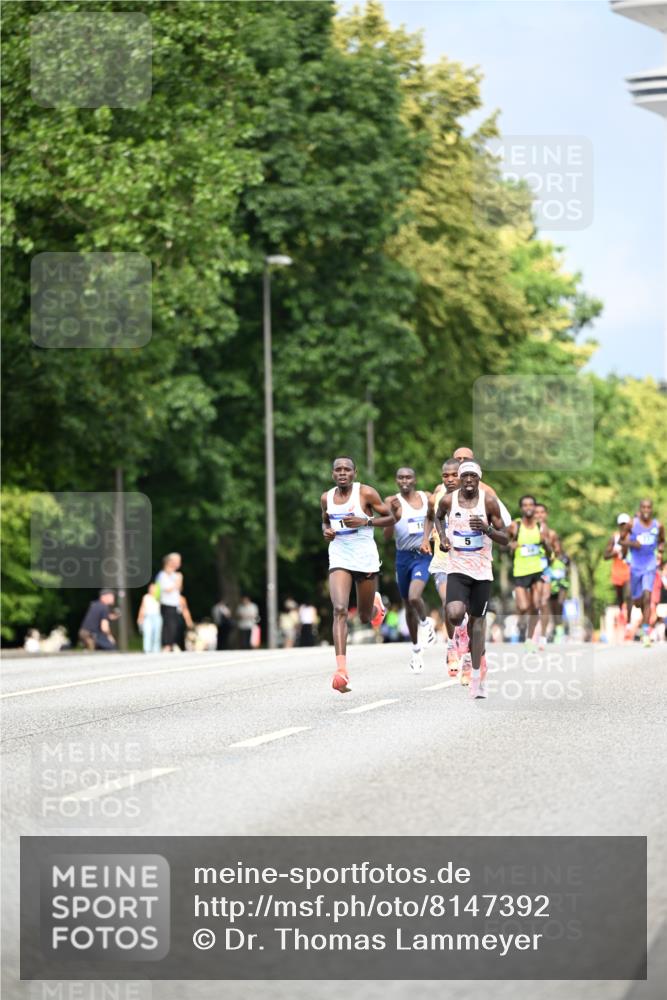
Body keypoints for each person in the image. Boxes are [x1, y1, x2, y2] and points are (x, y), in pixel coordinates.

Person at [434, 460, 508, 699]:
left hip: (482, 572)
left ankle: (477, 678)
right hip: (457, 568)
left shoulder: (488, 501)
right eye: (464, 476)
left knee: (478, 625)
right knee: (454, 613)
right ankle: (460, 632)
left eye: (472, 477)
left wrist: (487, 530)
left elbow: (505, 538)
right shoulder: (449, 500)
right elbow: (438, 517)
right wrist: (443, 538)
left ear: (478, 479)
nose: (467, 480)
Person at [321, 456, 394, 693]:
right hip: (340, 554)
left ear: (354, 472)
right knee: (340, 609)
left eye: (347, 469)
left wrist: (366, 521)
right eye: (338, 470)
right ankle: (341, 670)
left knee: (364, 617)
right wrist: (327, 532)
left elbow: (391, 518)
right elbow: (325, 522)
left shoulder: (366, 493)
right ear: (333, 474)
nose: (342, 473)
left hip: (365, 556)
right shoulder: (326, 498)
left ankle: (376, 607)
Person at [383, 467, 436, 674]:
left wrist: (429, 539)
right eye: (400, 477)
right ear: (396, 480)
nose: (404, 480)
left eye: (408, 477)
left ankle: (425, 623)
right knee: (406, 602)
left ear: (415, 479)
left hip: (423, 554)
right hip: (402, 556)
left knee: (415, 597)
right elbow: (387, 535)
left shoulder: (427, 498)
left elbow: (436, 519)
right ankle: (416, 650)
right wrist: (394, 516)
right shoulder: (391, 501)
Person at [421, 458, 463, 678]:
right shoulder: (435, 498)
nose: (450, 479)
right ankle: (451, 647)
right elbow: (429, 517)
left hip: (468, 562)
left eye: (454, 475)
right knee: (449, 604)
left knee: (464, 611)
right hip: (442, 561)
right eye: (446, 475)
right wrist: (426, 538)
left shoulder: (472, 499)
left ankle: (468, 649)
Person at [507, 495, 552, 650]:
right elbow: (504, 543)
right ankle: (520, 620)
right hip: (520, 571)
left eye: (531, 505)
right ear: (521, 508)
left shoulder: (541, 527)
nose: (528, 508)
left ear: (534, 507)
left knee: (536, 604)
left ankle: (529, 639)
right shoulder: (515, 525)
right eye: (525, 505)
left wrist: (545, 544)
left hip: (537, 570)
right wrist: (510, 545)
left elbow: (548, 550)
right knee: (524, 606)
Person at [625, 499, 664, 647]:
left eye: (649, 507)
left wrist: (660, 549)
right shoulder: (632, 524)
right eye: (643, 507)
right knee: (637, 601)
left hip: (650, 564)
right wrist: (633, 543)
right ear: (640, 509)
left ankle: (646, 632)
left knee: (647, 596)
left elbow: (661, 541)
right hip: (635, 565)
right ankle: (643, 621)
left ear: (652, 509)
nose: (646, 509)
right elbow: (622, 541)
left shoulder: (658, 525)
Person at [534, 502, 562, 648]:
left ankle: (543, 636)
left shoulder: (551, 534)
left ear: (546, 514)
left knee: (544, 602)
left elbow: (557, 553)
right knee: (533, 603)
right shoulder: (526, 531)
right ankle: (532, 633)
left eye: (541, 512)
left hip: (545, 571)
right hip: (528, 571)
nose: (539, 515)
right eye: (536, 512)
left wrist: (546, 544)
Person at [603, 514, 632, 626]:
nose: (624, 526)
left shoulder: (633, 537)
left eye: (626, 524)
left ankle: (629, 622)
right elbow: (605, 555)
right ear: (619, 525)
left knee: (629, 594)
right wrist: (613, 553)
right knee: (619, 595)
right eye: (622, 524)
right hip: (617, 570)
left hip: (629, 569)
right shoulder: (614, 538)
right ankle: (621, 610)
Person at [156, 552, 183, 652]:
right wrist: (177, 582)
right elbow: (166, 589)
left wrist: (179, 580)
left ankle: (172, 644)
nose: (179, 563)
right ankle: (167, 645)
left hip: (175, 603)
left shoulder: (176, 575)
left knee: (175, 625)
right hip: (166, 603)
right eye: (177, 561)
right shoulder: (162, 575)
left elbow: (179, 589)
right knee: (168, 625)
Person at [137, 583, 162, 653]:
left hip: (156, 616)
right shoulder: (146, 597)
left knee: (157, 634)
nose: (152, 589)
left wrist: (157, 593)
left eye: (153, 588)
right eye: (151, 588)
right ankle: (147, 649)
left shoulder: (158, 597)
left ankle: (156, 650)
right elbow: (142, 607)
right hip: (147, 617)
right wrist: (140, 617)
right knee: (147, 633)